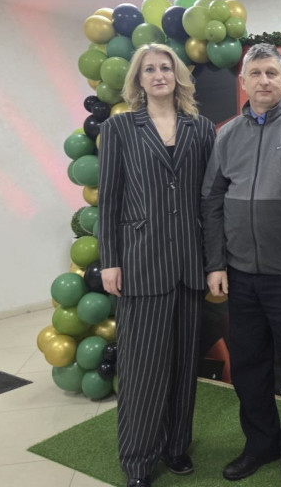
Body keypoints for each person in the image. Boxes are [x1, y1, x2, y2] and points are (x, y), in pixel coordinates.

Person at [201, 43, 281, 487]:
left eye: (271, 73)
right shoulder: (226, 135)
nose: (263, 81)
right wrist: (216, 263)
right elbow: (212, 199)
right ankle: (260, 445)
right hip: (240, 276)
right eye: (255, 73)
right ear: (243, 81)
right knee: (249, 368)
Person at [98, 43, 216, 487]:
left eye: (166, 67)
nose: (159, 74)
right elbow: (108, 201)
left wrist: (213, 261)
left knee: (184, 368)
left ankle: (176, 446)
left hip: (188, 264)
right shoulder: (119, 128)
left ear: (177, 75)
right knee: (142, 371)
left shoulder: (201, 128)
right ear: (138, 79)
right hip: (140, 265)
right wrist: (110, 260)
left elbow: (210, 199)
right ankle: (138, 460)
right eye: (149, 69)